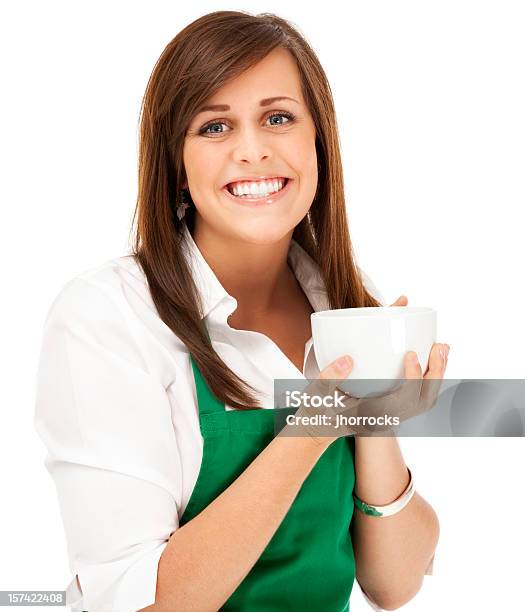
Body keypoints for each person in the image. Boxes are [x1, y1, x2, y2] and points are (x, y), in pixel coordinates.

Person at [34, 11, 446, 612]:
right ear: (176, 162)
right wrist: (313, 428)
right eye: (215, 127)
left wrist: (375, 418)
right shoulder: (108, 317)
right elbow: (139, 602)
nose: (253, 151)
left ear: (317, 143)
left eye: (278, 118)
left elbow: (394, 583)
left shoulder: (341, 303)